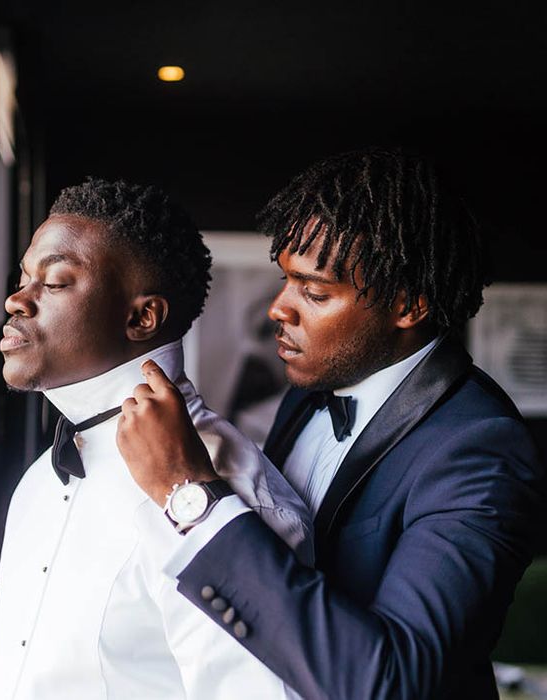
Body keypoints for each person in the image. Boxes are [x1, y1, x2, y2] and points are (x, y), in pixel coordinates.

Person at [116, 148, 546, 700]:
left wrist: (190, 492)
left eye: (315, 292)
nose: (278, 308)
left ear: (408, 305)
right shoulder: (309, 394)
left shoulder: (479, 450)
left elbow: (389, 680)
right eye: (286, 281)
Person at [0, 177, 312, 700]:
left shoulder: (229, 489)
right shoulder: (40, 478)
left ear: (142, 317)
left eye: (53, 282)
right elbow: (2, 657)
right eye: (23, 277)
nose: (17, 300)